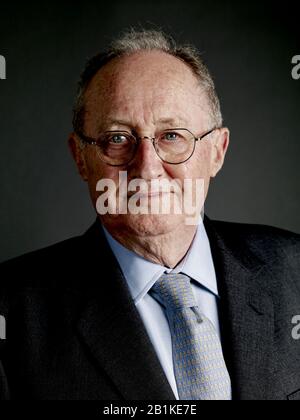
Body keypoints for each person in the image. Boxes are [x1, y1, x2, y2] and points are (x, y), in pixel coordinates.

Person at [0, 29, 300, 401]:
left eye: (172, 135)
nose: (147, 168)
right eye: (117, 138)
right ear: (81, 157)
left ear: (217, 152)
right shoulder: (12, 317)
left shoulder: (294, 271)